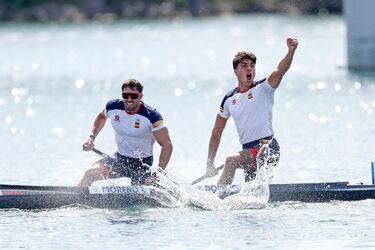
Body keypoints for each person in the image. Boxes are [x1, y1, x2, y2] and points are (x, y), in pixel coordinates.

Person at [206, 38, 298, 185]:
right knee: (251, 193)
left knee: (231, 161)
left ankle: (217, 199)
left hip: (267, 148)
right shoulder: (229, 99)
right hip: (248, 151)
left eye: (252, 65)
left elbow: (280, 70)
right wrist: (209, 164)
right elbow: (216, 132)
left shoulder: (263, 88)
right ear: (236, 71)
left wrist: (290, 51)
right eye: (244, 66)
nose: (249, 69)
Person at [79, 79, 173, 186]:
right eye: (125, 95)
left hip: (142, 165)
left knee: (138, 195)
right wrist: (91, 138)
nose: (129, 99)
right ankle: (73, 200)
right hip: (119, 160)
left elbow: (167, 146)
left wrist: (157, 174)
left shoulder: (152, 116)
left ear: (140, 96)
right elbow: (101, 117)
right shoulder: (113, 107)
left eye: (133, 96)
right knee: (90, 173)